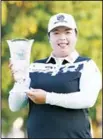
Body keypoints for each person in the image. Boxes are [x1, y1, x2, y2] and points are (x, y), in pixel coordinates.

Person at [8, 13, 102, 138]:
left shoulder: (87, 64)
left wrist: (47, 98)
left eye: (67, 32)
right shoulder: (34, 66)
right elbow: (15, 106)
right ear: (49, 37)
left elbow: (87, 99)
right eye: (56, 33)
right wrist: (19, 80)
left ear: (76, 35)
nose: (62, 37)